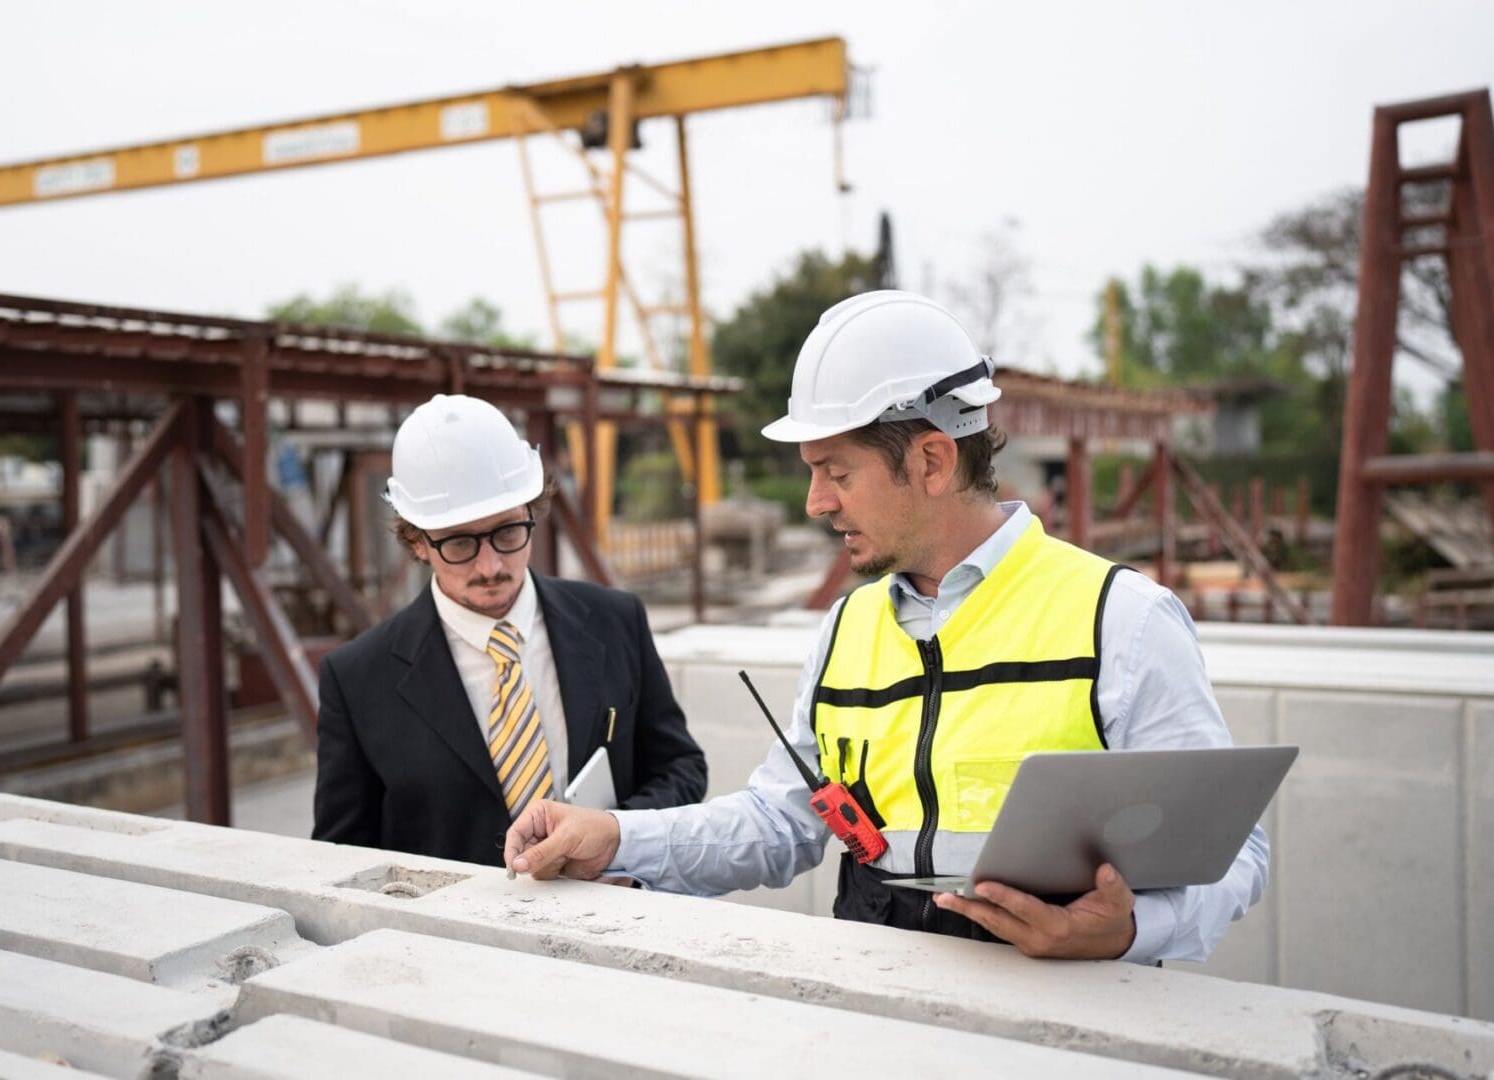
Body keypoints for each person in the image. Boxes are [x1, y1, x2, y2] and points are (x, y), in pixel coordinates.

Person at [504, 290, 1269, 963]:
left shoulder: (1121, 621)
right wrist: (617, 835)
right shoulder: (848, 628)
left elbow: (1234, 855)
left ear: (933, 461)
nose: (815, 502)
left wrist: (1132, 932)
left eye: (836, 472)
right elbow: (782, 821)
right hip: (879, 1023)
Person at [313, 394, 707, 864]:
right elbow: (341, 858)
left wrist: (616, 838)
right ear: (417, 541)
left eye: (506, 532)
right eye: (459, 542)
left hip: (614, 912)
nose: (490, 565)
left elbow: (681, 768)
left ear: (532, 511)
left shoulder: (616, 620)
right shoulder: (358, 677)